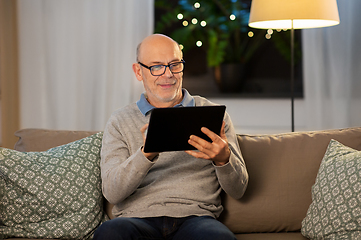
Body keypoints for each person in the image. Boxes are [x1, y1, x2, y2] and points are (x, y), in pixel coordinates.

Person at [94, 34, 248, 240]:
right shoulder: (120, 121)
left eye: (175, 64)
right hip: (136, 220)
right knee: (109, 233)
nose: (168, 74)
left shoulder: (212, 115)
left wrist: (223, 159)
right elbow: (112, 193)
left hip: (197, 219)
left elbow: (239, 190)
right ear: (138, 71)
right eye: (156, 66)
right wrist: (145, 154)